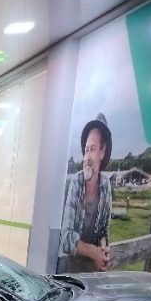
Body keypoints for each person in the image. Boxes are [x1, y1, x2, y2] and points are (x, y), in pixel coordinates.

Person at [58, 114, 113, 272]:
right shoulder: (76, 182)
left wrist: (103, 249)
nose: (87, 157)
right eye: (86, 150)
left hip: (90, 270)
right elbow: (66, 239)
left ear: (102, 152)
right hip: (68, 267)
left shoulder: (106, 186)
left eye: (93, 149)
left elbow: (104, 231)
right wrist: (94, 253)